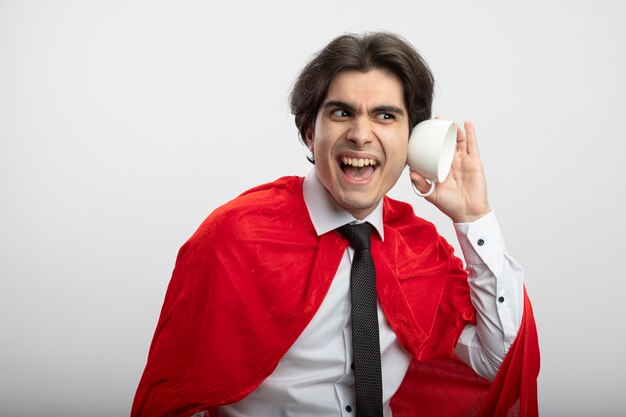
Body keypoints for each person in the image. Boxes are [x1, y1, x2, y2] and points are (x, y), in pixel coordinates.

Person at [131, 32, 539, 417]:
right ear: (311, 133)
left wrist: (473, 217)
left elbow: (498, 361)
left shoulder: (418, 248)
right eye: (342, 113)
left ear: (412, 141)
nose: (361, 135)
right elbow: (173, 396)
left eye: (384, 116)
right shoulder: (234, 236)